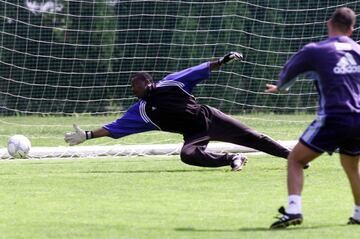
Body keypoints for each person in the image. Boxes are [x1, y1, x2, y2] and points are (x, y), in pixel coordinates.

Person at [65, 52, 291, 171]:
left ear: (147, 82)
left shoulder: (171, 83)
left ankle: (293, 158)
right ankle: (233, 158)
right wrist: (86, 135)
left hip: (209, 118)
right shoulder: (142, 111)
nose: (133, 90)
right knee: (187, 155)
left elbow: (199, 69)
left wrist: (223, 61)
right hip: (194, 135)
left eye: (135, 85)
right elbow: (114, 128)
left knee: (253, 137)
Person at [266, 7, 360, 229]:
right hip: (359, 119)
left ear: (329, 24)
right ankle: (358, 213)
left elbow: (288, 73)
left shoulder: (315, 50)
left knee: (296, 160)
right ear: (351, 30)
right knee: (352, 166)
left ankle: (293, 210)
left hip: (334, 117)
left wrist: (280, 87)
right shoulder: (358, 49)